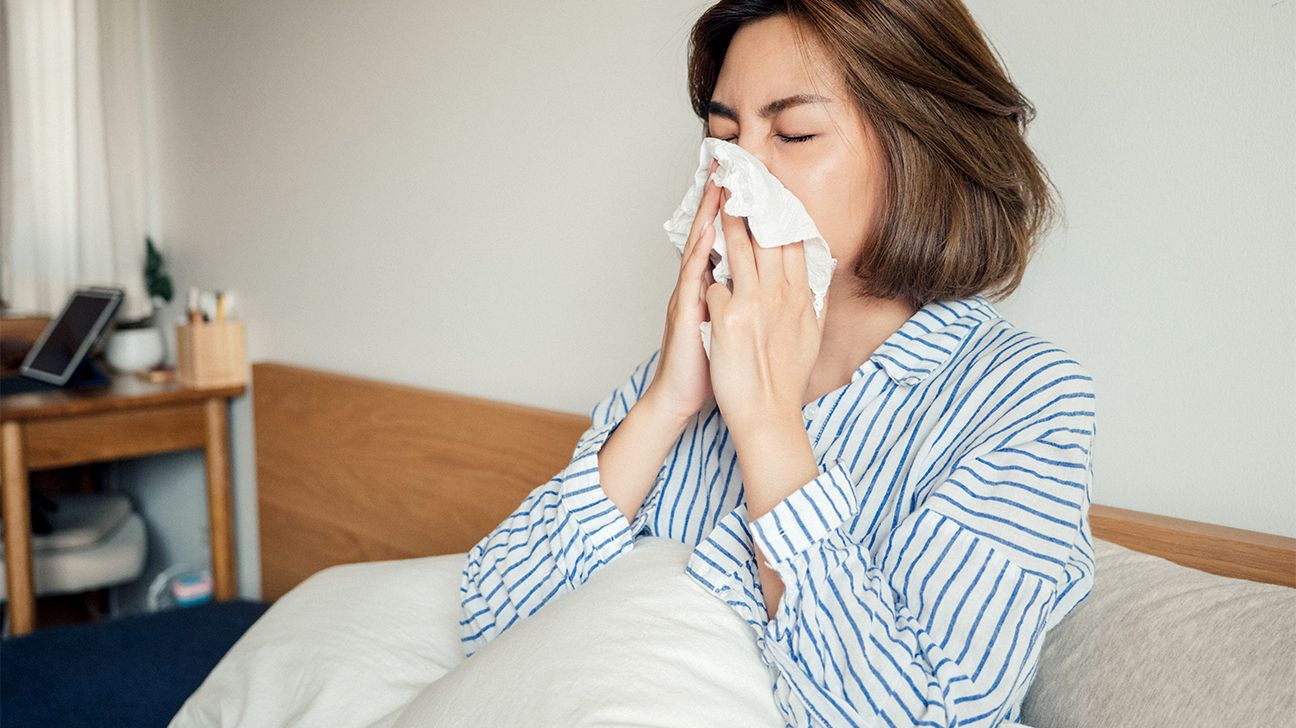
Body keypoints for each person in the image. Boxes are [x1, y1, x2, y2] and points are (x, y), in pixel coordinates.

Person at [459, 1, 1096, 725]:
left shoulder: (1024, 401)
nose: (736, 174)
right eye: (723, 136)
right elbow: (490, 620)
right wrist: (665, 404)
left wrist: (768, 428)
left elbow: (919, 714)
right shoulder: (696, 355)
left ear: (921, 146)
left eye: (793, 133)